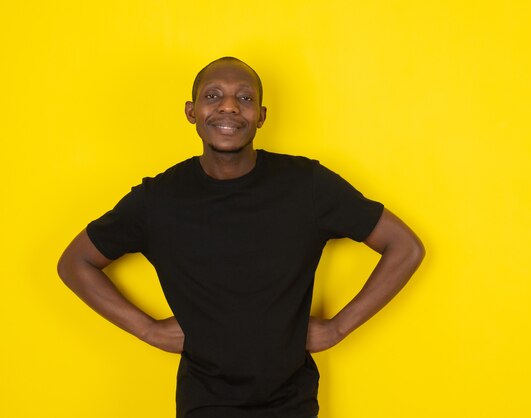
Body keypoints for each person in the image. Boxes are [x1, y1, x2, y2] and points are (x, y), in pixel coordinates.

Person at [57, 57, 425, 418]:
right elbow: (75, 262)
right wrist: (147, 330)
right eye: (213, 96)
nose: (229, 107)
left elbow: (405, 247)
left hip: (291, 403)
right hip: (204, 403)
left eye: (245, 98)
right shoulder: (159, 200)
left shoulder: (306, 185)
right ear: (191, 111)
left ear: (261, 115)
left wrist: (339, 327)